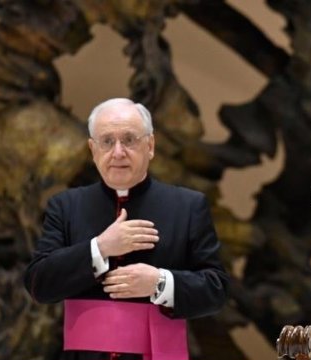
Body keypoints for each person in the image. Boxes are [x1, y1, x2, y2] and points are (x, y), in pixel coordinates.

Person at [24, 98, 229, 360]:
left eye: (129, 140)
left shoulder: (188, 206)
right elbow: (38, 284)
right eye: (107, 141)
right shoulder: (65, 206)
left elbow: (217, 289)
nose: (118, 152)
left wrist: (159, 282)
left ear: (150, 146)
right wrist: (100, 248)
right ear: (92, 149)